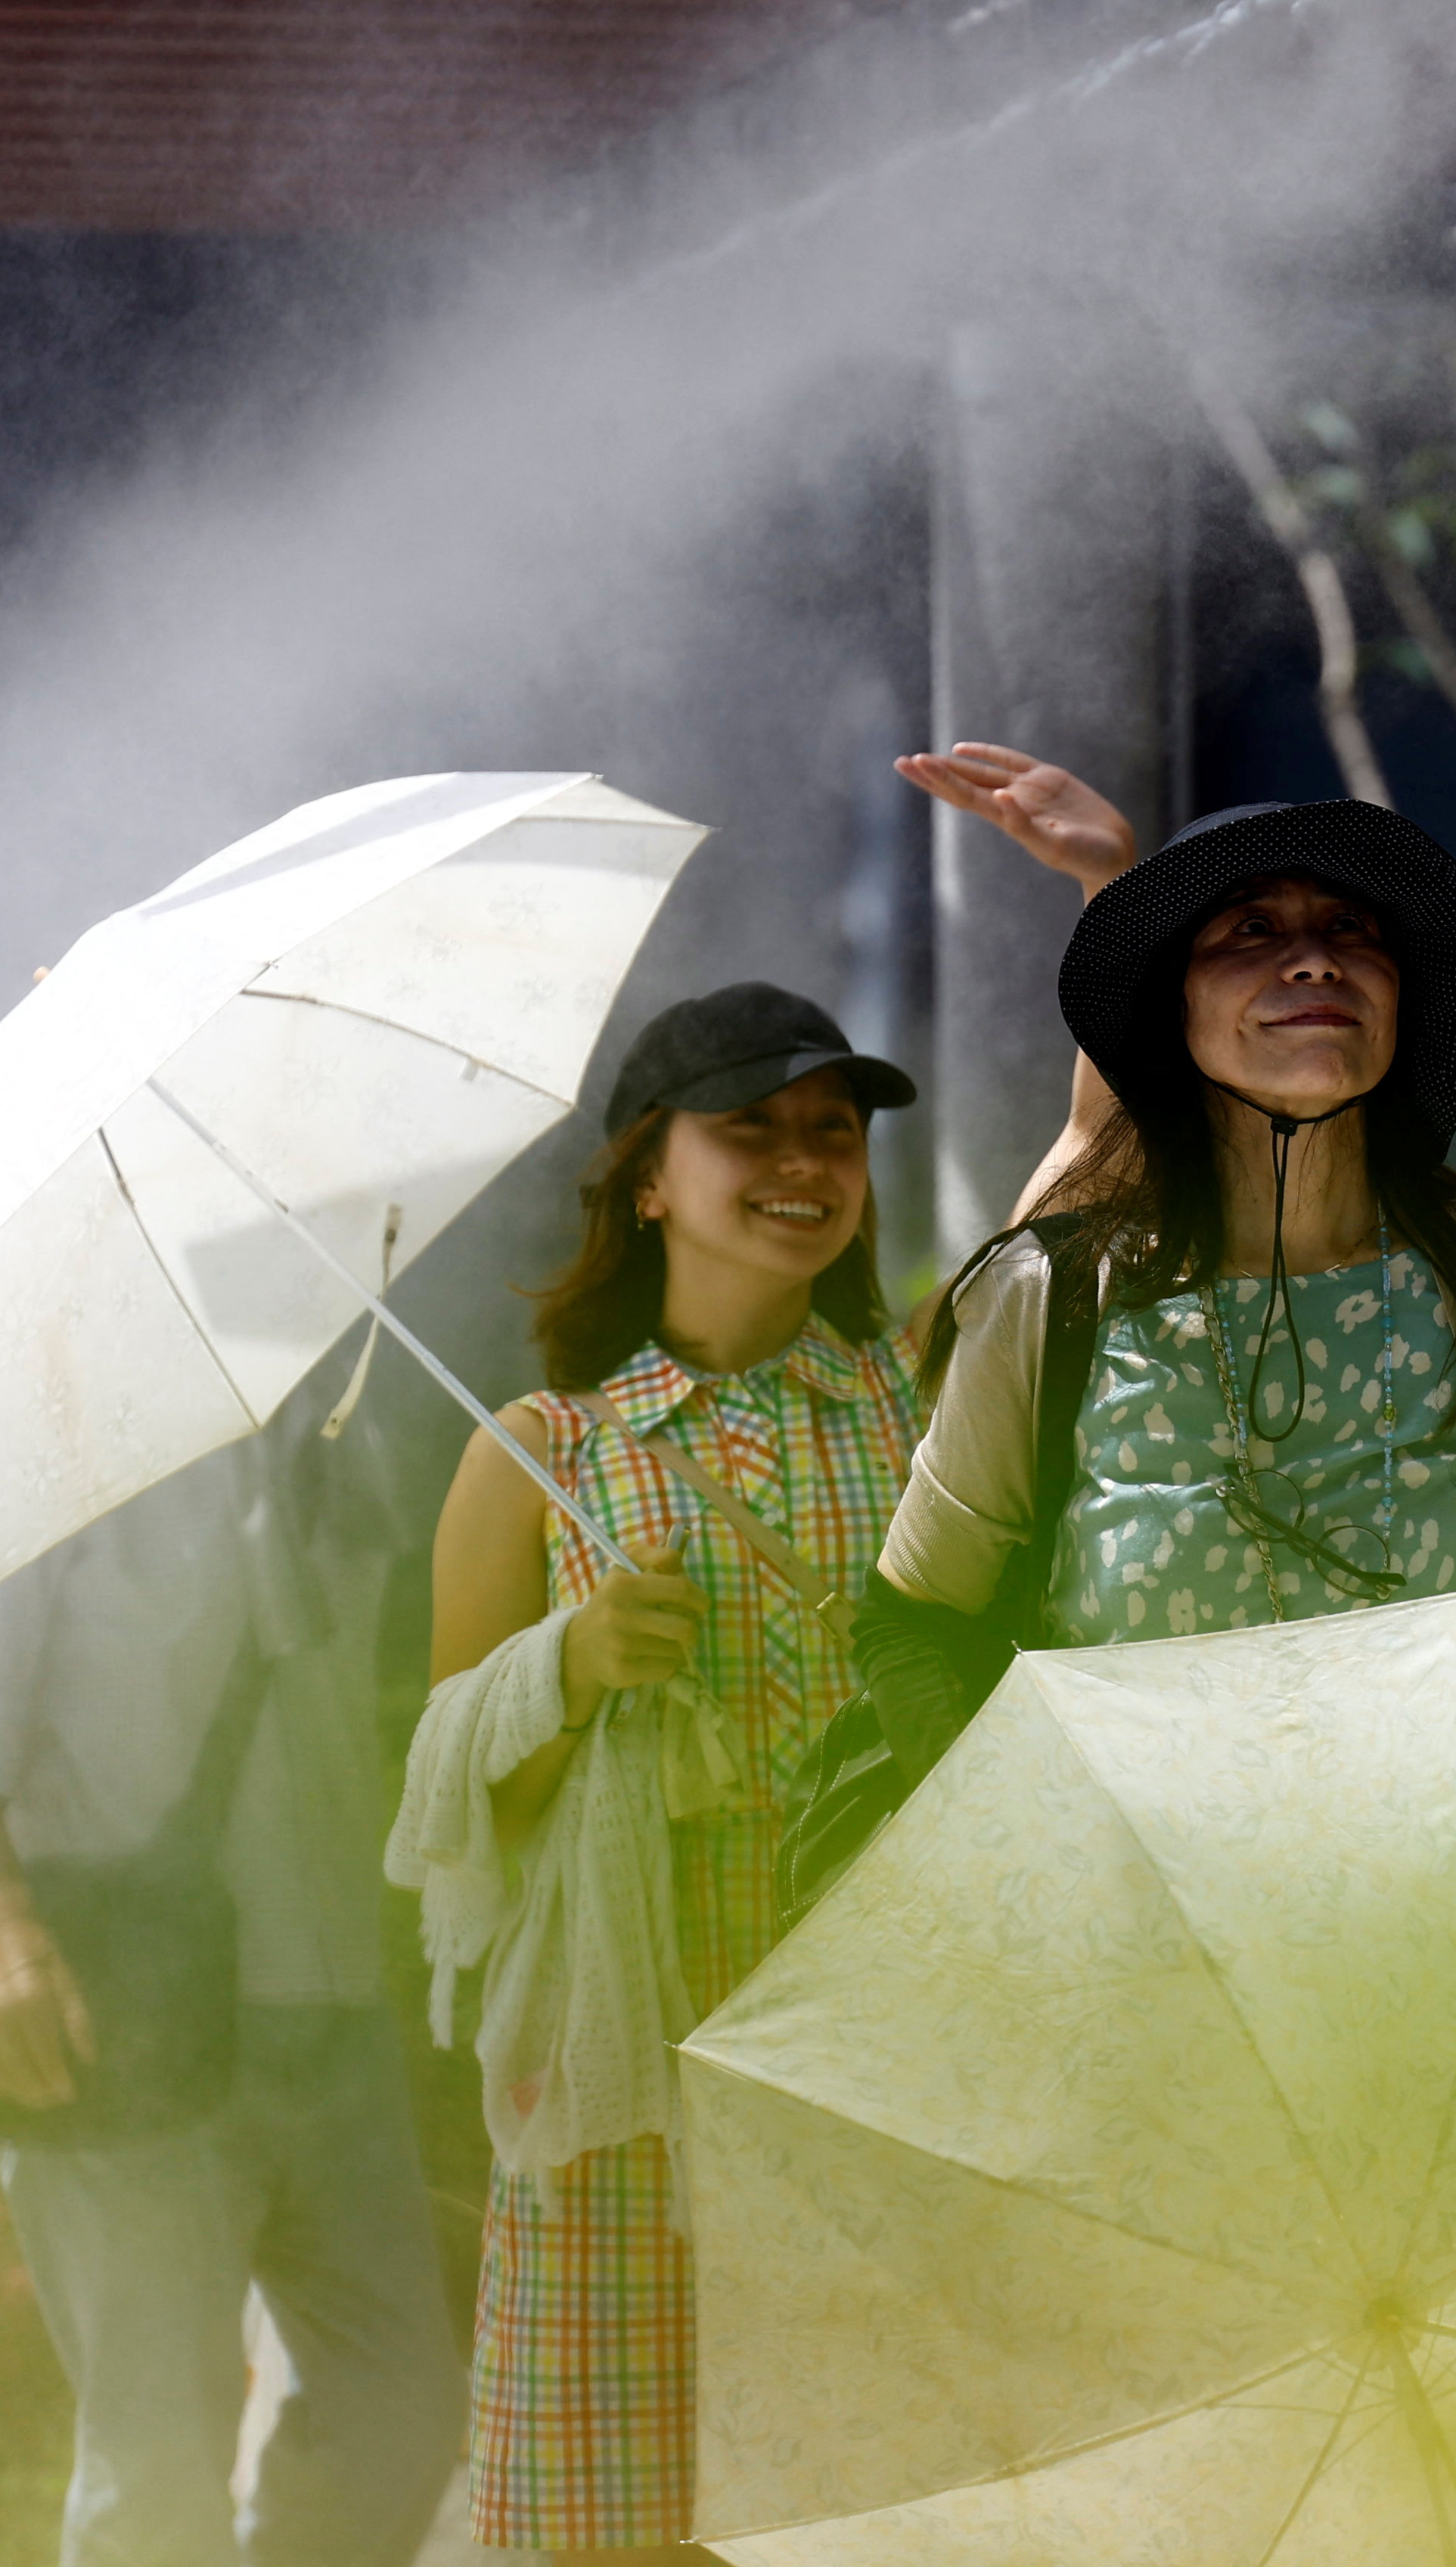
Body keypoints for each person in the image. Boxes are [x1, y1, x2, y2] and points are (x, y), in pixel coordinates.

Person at [385, 749, 1126, 2564]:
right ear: (646, 1179)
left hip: (881, 2065)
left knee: (875, 2517)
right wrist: (562, 1673)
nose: (803, 1166)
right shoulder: (532, 1454)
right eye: (753, 1132)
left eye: (831, 1132)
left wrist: (1112, 895)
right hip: (624, 2087)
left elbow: (1099, 1162)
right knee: (613, 2529)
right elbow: (440, 1806)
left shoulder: (922, 1387)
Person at [852, 795, 1456, 1780]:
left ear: (1399, 1000)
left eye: (1351, 929)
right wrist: (1002, 1838)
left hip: (1430, 1902)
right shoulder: (1051, 1293)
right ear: (1174, 1010)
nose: (1314, 960)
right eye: (1251, 929)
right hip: (1127, 1904)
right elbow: (912, 1623)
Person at [0, 1429, 460, 2567]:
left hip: (334, 2008)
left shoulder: (345, 1430)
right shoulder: (28, 1447)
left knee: (407, 2411)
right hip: (132, 2023)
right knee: (153, 2463)